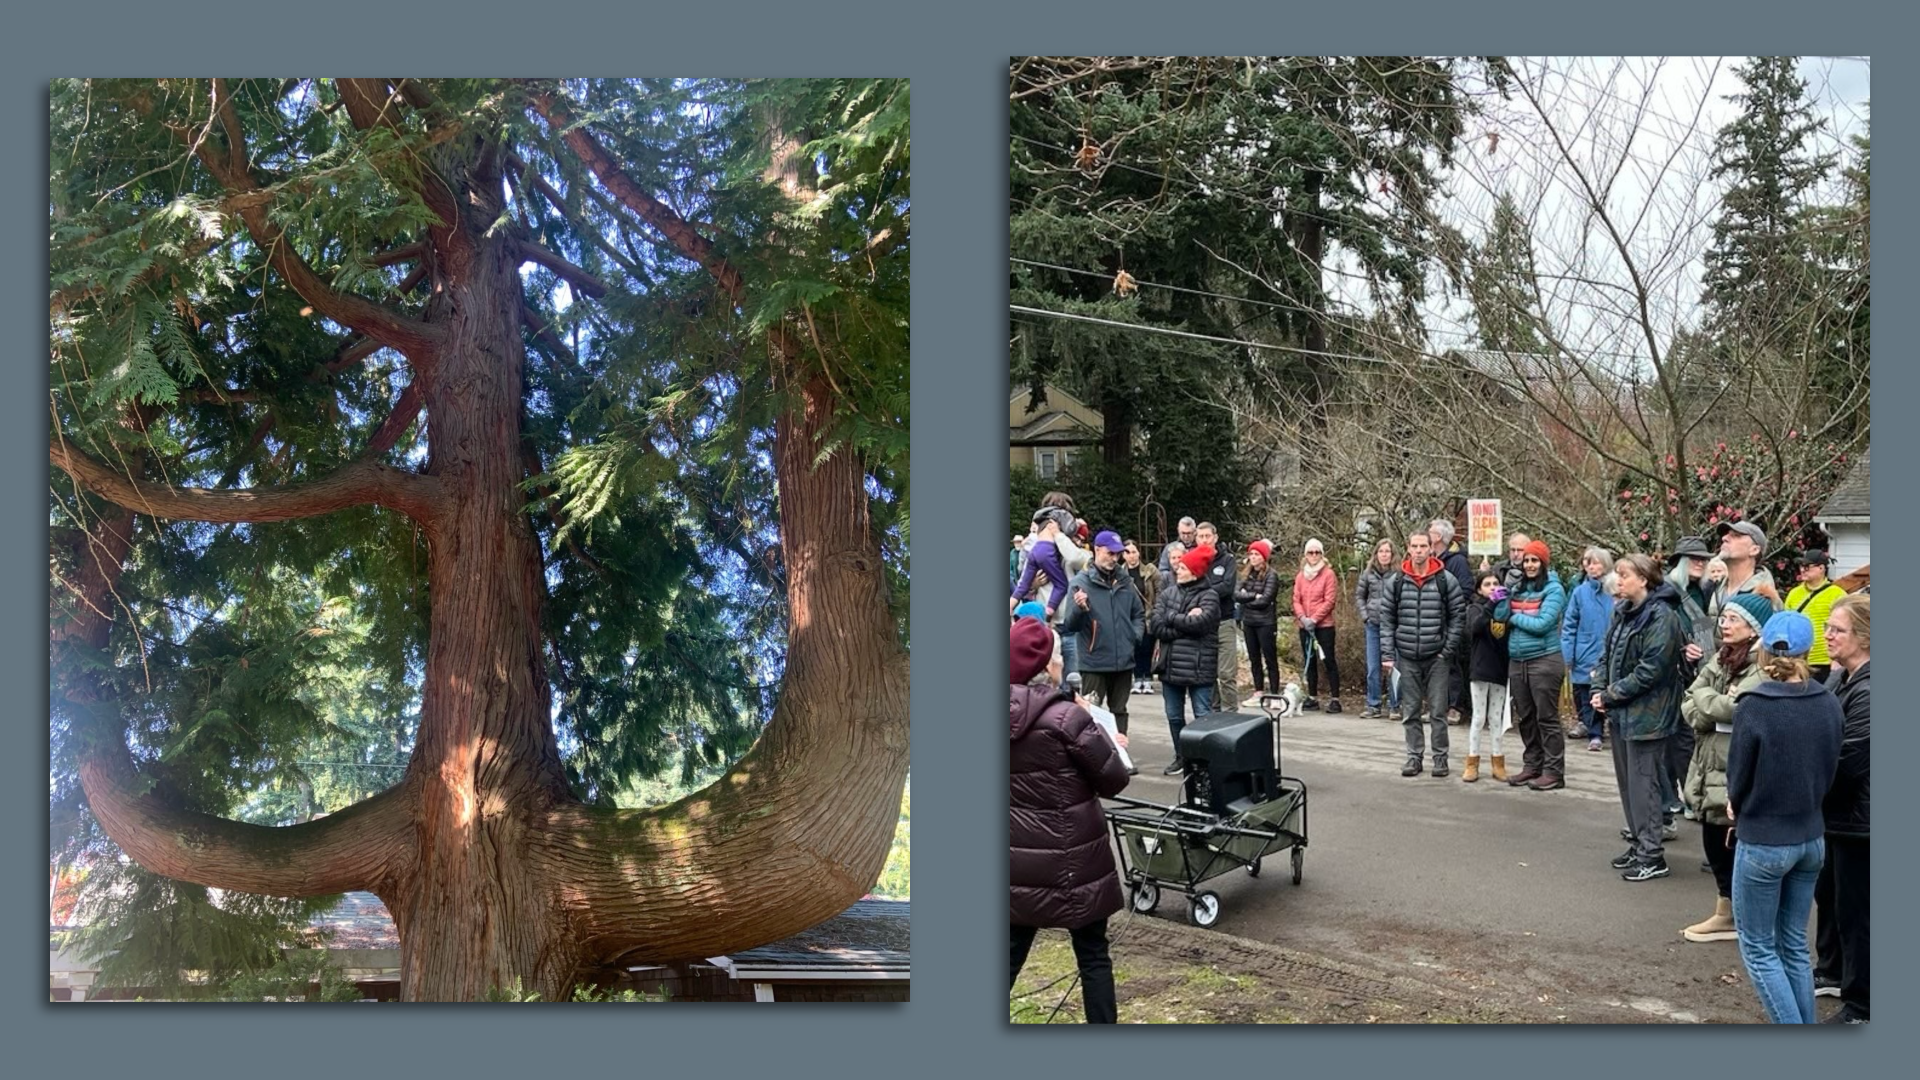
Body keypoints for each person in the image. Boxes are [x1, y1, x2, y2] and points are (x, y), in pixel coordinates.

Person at [1009, 618, 1130, 1024]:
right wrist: (1104, 736)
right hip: (1077, 859)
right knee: (1094, 955)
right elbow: (1113, 779)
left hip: (1017, 861)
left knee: (1007, 956)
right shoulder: (1068, 719)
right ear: (1047, 664)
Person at [1725, 611, 1843, 1024]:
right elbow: (1831, 768)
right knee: (1792, 944)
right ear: (1808, 651)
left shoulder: (1753, 706)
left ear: (1762, 652)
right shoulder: (1828, 700)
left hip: (1764, 839)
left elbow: (1738, 777)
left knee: (1758, 947)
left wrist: (1735, 804)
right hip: (1811, 836)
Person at [1678, 593, 1773, 941]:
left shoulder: (1761, 665)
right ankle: (1725, 911)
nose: (1725, 624)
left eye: (1734, 619)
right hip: (1708, 762)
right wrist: (1709, 704)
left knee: (1730, 841)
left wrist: (1706, 704)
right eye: (1725, 618)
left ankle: (1740, 917)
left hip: (1733, 763)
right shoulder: (1721, 657)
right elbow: (1691, 699)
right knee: (1712, 837)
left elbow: (1737, 708)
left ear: (1755, 628)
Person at [1593, 553, 1688, 879]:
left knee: (1644, 786)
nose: (1617, 580)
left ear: (1644, 580)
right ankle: (1639, 844)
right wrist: (1599, 688)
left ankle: (1652, 855)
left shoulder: (1661, 617)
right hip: (1622, 712)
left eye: (1624, 575)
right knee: (1628, 786)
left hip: (1649, 715)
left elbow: (1652, 670)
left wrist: (1610, 694)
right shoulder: (1623, 612)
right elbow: (1607, 654)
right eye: (1617, 574)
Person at [1812, 594, 1869, 1024]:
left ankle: (1862, 1006)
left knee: (1858, 914)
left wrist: (1802, 789)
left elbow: (1847, 761)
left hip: (1860, 821)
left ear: (1864, 637)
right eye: (1828, 627)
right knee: (1830, 899)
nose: (1827, 635)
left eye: (1838, 629)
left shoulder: (1870, 691)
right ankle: (1833, 972)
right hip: (1839, 817)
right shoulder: (1844, 680)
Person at [1381, 530, 1465, 778]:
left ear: (1431, 548)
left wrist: (1446, 650)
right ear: (1408, 548)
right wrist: (1388, 653)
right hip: (1406, 656)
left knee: (1438, 712)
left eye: (1423, 546)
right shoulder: (1396, 581)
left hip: (1436, 656)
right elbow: (1386, 620)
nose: (1418, 550)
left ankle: (1440, 759)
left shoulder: (1445, 580)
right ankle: (1414, 757)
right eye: (1414, 546)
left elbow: (1457, 617)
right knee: (1410, 711)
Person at [1495, 539, 1569, 791]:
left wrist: (1515, 617)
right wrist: (1506, 594)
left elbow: (1542, 625)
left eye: (1534, 560)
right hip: (1517, 661)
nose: (1529, 565)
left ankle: (1554, 771)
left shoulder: (1554, 589)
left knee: (1546, 718)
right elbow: (1499, 617)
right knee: (1526, 717)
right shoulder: (1518, 588)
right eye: (1526, 560)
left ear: (1544, 563)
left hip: (1544, 660)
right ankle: (1532, 765)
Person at [1061, 531, 1145, 745]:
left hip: (1123, 660)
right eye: (1110, 553)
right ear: (1097, 550)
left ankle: (1121, 755)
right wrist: (1080, 609)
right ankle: (1095, 759)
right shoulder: (1080, 583)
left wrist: (1134, 637)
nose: (1114, 558)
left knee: (1120, 711)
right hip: (1094, 661)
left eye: (1117, 554)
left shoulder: (1125, 581)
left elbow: (1138, 614)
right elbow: (1070, 625)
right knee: (1092, 713)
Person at [1149, 545, 1221, 775]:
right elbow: (1156, 625)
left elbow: (1201, 625)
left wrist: (1172, 620)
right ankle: (1181, 756)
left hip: (1200, 667)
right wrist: (1181, 622)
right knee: (1174, 715)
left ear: (1195, 571)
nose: (1177, 570)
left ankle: (1205, 761)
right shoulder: (1168, 593)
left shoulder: (1210, 596)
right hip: (1170, 667)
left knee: (1202, 716)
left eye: (1182, 567)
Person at [1562, 546, 1615, 753]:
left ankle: (1598, 731)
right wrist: (1568, 654)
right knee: (1584, 694)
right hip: (1584, 650)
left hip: (1607, 650)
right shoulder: (1579, 592)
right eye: (1589, 562)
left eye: (1597, 562)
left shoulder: (1614, 590)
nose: (1592, 567)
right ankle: (1591, 730)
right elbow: (1569, 625)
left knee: (1602, 692)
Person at [1463, 569, 1511, 783]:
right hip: (1481, 669)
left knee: (1496, 718)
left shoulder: (1506, 609)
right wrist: (1490, 604)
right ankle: (1472, 761)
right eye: (1487, 584)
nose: (1492, 588)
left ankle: (1498, 761)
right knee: (1479, 717)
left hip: (1500, 669)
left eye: (1495, 584)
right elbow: (1475, 628)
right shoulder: (1475, 608)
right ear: (1479, 589)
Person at [1430, 518, 1474, 723]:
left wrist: (1448, 606)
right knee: (1434, 665)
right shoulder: (1430, 560)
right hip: (1432, 620)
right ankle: (1436, 704)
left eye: (1430, 532)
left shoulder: (1457, 561)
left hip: (1452, 620)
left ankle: (1455, 706)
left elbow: (1466, 590)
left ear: (1438, 537)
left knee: (1453, 663)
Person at [1292, 538, 1342, 713]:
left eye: (1317, 552)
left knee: (1328, 660)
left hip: (1324, 626)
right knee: (1309, 660)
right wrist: (1303, 617)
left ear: (1322, 554)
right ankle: (1312, 696)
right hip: (1304, 625)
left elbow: (1329, 601)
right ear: (1305, 555)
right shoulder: (1300, 576)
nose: (1314, 556)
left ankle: (1335, 698)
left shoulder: (1328, 574)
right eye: (1310, 552)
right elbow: (1296, 599)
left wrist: (1314, 619)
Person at [1354, 538, 1401, 719]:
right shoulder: (1367, 574)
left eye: (1387, 551)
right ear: (1376, 554)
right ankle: (1373, 704)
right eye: (1381, 551)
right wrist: (1365, 616)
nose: (1384, 555)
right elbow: (1359, 596)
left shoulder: (1398, 574)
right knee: (1373, 667)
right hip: (1373, 625)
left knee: (1393, 667)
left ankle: (1395, 705)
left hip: (1393, 626)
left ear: (1392, 554)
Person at [1194, 523, 1239, 713]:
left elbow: (1227, 587)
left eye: (1207, 536)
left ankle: (1231, 713)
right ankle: (1214, 713)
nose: (1204, 540)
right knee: (1208, 673)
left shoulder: (1227, 560)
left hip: (1225, 622)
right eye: (1201, 536)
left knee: (1226, 673)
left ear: (1215, 537)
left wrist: (1205, 592)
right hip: (1204, 624)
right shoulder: (1195, 560)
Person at [1785, 549, 1842, 684]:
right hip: (1799, 660)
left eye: (1807, 567)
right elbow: (1786, 625)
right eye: (1801, 566)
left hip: (1826, 660)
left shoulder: (1837, 594)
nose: (1802, 570)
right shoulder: (1794, 594)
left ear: (1821, 568)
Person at [1708, 521, 1782, 627]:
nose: (1724, 538)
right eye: (1726, 535)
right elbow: (1702, 625)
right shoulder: (1715, 586)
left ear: (1754, 550)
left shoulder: (1764, 597)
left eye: (1736, 536)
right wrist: (1702, 643)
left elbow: (1770, 639)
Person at [1236, 539, 1280, 697]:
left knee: (1270, 659)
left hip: (1266, 622)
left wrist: (1246, 599)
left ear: (1264, 556)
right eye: (1251, 554)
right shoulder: (1245, 574)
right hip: (1249, 621)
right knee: (1254, 658)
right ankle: (1258, 690)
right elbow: (1236, 594)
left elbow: (1265, 600)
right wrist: (1253, 596)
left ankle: (1274, 693)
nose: (1253, 557)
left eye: (1257, 554)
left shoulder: (1271, 575)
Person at [1122, 540, 1159, 694]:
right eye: (1128, 552)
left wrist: (1157, 611)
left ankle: (1148, 678)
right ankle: (1137, 678)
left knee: (1147, 647)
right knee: (1134, 647)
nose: (1132, 556)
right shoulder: (1120, 573)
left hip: (1147, 615)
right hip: (1128, 616)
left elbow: (1159, 591)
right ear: (1123, 555)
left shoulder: (1150, 571)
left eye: (1134, 551)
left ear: (1139, 553)